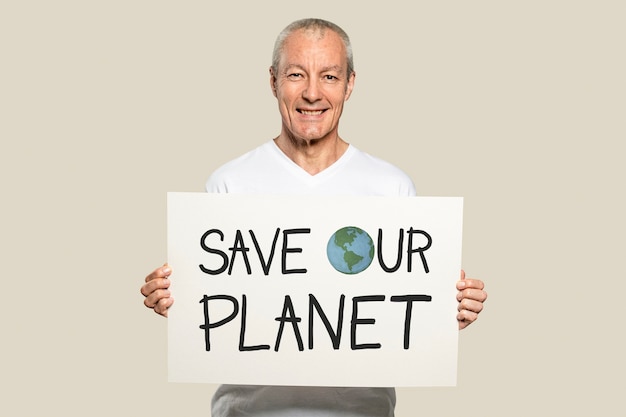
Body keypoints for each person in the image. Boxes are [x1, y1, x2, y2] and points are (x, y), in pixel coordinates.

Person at [141, 18, 488, 417]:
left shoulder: (391, 187)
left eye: (329, 76)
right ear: (273, 82)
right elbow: (207, 307)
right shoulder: (229, 183)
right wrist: (174, 295)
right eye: (295, 74)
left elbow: (407, 312)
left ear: (350, 84)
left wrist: (449, 305)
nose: (311, 93)